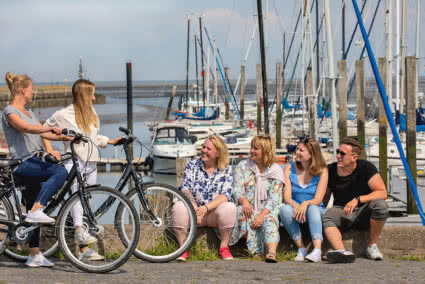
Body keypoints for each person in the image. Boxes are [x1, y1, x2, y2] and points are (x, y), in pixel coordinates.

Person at [44, 79, 121, 261]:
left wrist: (109, 141)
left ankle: (83, 249)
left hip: (92, 162)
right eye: (92, 94)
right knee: (77, 198)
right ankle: (79, 233)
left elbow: (92, 137)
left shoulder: (92, 113)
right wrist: (50, 149)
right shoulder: (64, 114)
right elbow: (44, 128)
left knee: (86, 201)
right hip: (74, 161)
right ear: (85, 95)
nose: (94, 98)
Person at [2, 72, 70, 267]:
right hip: (21, 164)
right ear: (22, 89)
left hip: (33, 163)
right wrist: (50, 131)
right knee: (59, 172)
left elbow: (43, 131)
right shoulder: (10, 111)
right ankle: (36, 210)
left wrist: (65, 138)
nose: (34, 92)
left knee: (34, 204)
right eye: (32, 88)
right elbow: (27, 129)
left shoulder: (29, 112)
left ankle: (34, 255)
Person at [323, 137, 388, 263]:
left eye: (342, 153)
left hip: (364, 211)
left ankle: (371, 246)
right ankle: (342, 253)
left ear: (354, 157)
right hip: (342, 211)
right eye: (337, 152)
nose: (338, 156)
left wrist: (358, 200)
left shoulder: (366, 168)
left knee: (381, 205)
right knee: (328, 216)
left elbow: (382, 192)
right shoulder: (330, 170)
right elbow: (324, 198)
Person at [172, 135, 236, 262]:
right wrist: (195, 209)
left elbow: (225, 195)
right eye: (203, 147)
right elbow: (185, 189)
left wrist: (205, 208)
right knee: (178, 207)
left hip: (213, 213)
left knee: (230, 207)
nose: (204, 150)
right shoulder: (192, 165)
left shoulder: (226, 169)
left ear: (218, 153)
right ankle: (183, 248)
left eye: (208, 149)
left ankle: (224, 247)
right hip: (194, 212)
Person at [229, 135, 284, 263]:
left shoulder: (276, 170)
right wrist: (244, 202)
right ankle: (256, 252)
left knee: (269, 219)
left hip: (268, 209)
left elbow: (274, 199)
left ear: (265, 151)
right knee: (245, 214)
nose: (252, 151)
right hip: (248, 206)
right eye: (251, 147)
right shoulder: (243, 166)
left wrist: (262, 215)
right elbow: (237, 189)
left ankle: (271, 252)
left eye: (256, 148)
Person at [279, 138, 328, 262]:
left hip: (315, 210)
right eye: (297, 149)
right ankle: (301, 248)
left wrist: (305, 204)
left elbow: (318, 199)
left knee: (312, 208)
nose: (297, 152)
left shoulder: (322, 170)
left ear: (312, 154)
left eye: (301, 150)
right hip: (296, 210)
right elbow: (287, 198)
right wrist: (297, 205)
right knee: (284, 209)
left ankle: (317, 249)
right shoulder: (289, 168)